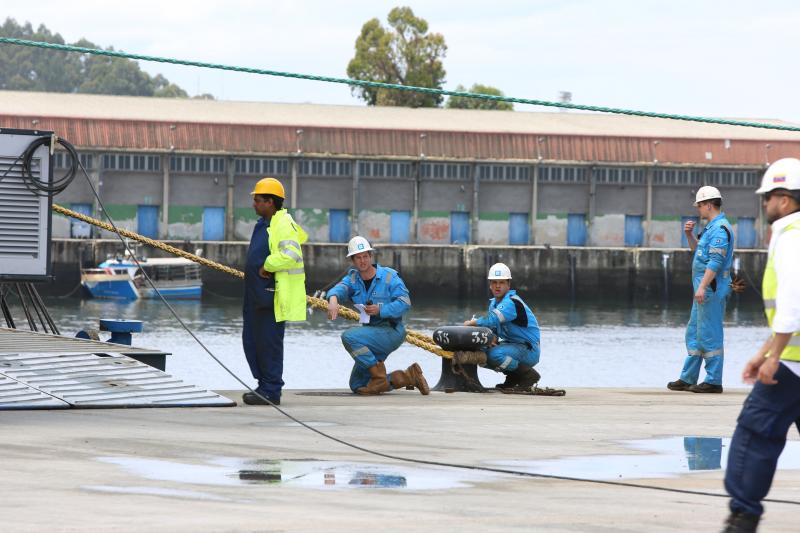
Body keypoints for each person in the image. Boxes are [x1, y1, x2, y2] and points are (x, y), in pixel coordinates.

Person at [722, 158, 800, 532]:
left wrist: (775, 358)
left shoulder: (792, 236)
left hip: (792, 366)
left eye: (768, 196)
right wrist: (763, 352)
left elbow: (792, 306)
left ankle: (743, 517)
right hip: (791, 358)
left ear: (784, 199)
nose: (764, 203)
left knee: (753, 436)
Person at [326, 236, 429, 396]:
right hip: (371, 335)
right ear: (353, 260)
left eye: (365, 256)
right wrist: (332, 299)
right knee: (358, 385)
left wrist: (380, 310)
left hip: (391, 331)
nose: (363, 261)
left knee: (349, 337)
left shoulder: (389, 277)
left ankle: (379, 376)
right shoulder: (353, 278)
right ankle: (409, 377)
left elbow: (405, 302)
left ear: (371, 256)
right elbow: (340, 288)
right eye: (358, 257)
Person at [241, 177, 308, 406]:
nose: (254, 204)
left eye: (258, 200)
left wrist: (267, 265)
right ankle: (263, 385)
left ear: (270, 202)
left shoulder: (282, 224)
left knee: (268, 342)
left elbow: (291, 255)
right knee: (252, 341)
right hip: (255, 295)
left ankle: (271, 389)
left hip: (270, 294)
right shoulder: (263, 224)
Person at [667, 186, 734, 393]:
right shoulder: (711, 227)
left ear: (708, 204)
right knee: (695, 332)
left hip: (711, 289)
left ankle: (713, 381)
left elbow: (715, 261)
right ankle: (688, 378)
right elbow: (699, 253)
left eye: (700, 206)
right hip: (703, 290)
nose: (698, 210)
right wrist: (688, 235)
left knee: (709, 333)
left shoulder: (721, 229)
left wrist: (703, 286)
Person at [463, 263, 541, 391]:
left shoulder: (511, 302)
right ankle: (513, 377)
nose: (497, 286)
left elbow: (492, 319)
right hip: (513, 346)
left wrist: (472, 323)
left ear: (508, 284)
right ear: (490, 285)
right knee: (481, 354)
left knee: (494, 355)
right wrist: (492, 338)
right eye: (494, 282)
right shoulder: (494, 304)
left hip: (528, 349)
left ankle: (528, 375)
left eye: (501, 282)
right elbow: (493, 328)